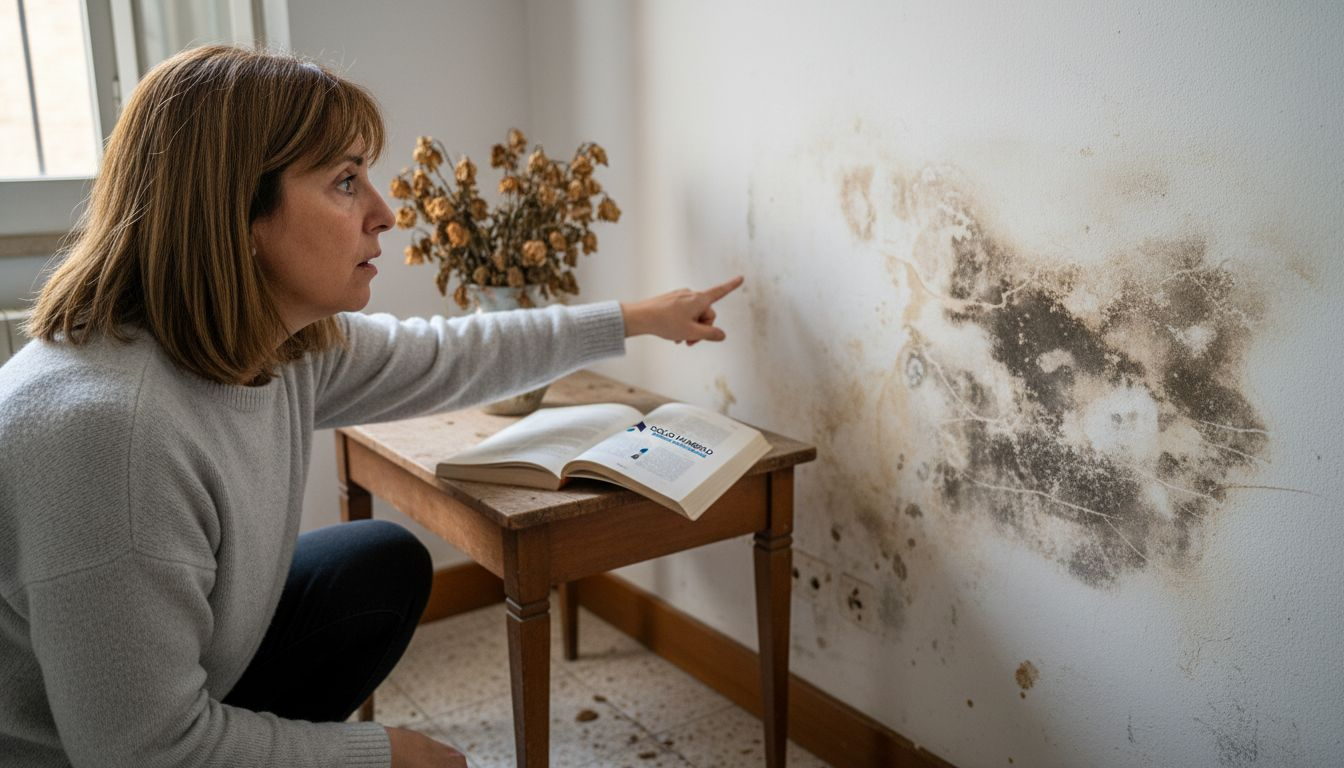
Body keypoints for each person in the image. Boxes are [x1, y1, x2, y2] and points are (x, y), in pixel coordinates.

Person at [0, 44, 743, 768]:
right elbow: (138, 753)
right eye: (346, 181)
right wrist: (377, 755)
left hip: (151, 704)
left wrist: (638, 318)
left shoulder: (272, 342)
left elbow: (458, 354)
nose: (385, 213)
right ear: (238, 212)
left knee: (377, 565)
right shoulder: (109, 436)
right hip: (72, 751)